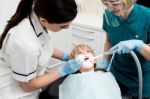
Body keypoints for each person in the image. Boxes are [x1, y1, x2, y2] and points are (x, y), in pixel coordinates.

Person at [0, 0, 84, 99]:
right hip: (15, 93)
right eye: (63, 26)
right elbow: (29, 86)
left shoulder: (38, 14)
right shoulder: (25, 43)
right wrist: (62, 71)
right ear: (43, 20)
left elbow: (43, 46)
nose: (67, 28)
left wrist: (66, 56)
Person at [99, 0, 150, 99]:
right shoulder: (108, 14)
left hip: (140, 80)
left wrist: (139, 45)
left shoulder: (147, 17)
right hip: (116, 74)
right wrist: (105, 64)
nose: (110, 8)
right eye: (106, 4)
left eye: (114, 4)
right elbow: (109, 41)